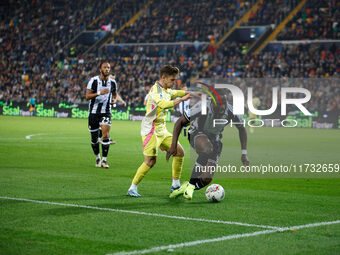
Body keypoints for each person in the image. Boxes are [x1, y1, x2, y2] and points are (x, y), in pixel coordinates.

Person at [166, 94, 250, 200]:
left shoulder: (231, 111)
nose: (222, 107)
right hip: (196, 133)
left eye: (223, 103)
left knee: (206, 178)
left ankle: (186, 187)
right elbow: (179, 122)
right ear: (211, 102)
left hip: (216, 140)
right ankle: (191, 185)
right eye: (218, 104)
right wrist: (173, 145)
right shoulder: (202, 107)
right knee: (207, 149)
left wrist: (244, 154)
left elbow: (242, 129)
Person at [127, 65, 191, 197]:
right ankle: (132, 188)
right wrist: (181, 100)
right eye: (172, 80)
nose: (174, 83)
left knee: (179, 152)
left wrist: (191, 93)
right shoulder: (155, 91)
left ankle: (175, 185)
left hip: (162, 130)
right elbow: (163, 104)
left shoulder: (167, 89)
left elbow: (176, 92)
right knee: (150, 161)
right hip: (151, 130)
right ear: (163, 77)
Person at [86, 61, 125, 168]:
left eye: (108, 68)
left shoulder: (112, 82)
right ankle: (98, 157)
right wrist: (99, 93)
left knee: (105, 135)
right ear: (100, 69)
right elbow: (87, 96)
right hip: (93, 112)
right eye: (105, 67)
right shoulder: (93, 81)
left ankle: (104, 160)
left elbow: (114, 93)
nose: (107, 69)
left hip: (106, 111)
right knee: (94, 139)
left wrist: (114, 100)